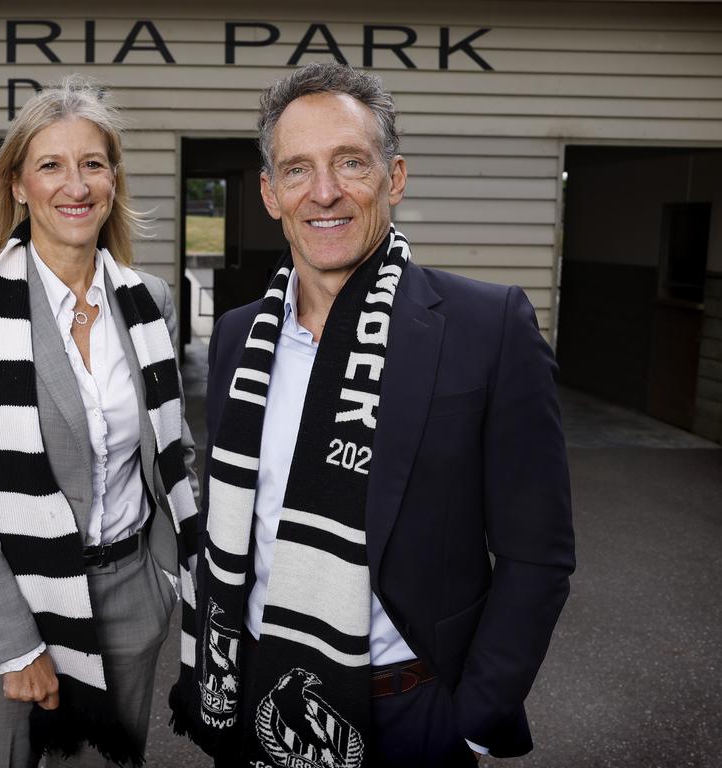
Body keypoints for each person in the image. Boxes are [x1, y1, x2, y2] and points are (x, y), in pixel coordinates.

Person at [169, 62, 575, 767]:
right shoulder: (238, 337)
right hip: (259, 699)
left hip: (412, 712)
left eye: (350, 162)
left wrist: (469, 724)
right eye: (297, 170)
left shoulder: (487, 327)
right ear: (270, 193)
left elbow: (537, 556)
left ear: (394, 176)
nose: (324, 192)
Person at [0, 77, 199, 768]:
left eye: (93, 164)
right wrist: (16, 641)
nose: (75, 185)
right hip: (9, 601)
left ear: (112, 179)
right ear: (17, 184)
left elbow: (173, 454)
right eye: (51, 165)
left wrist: (167, 579)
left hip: (128, 601)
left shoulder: (148, 300)